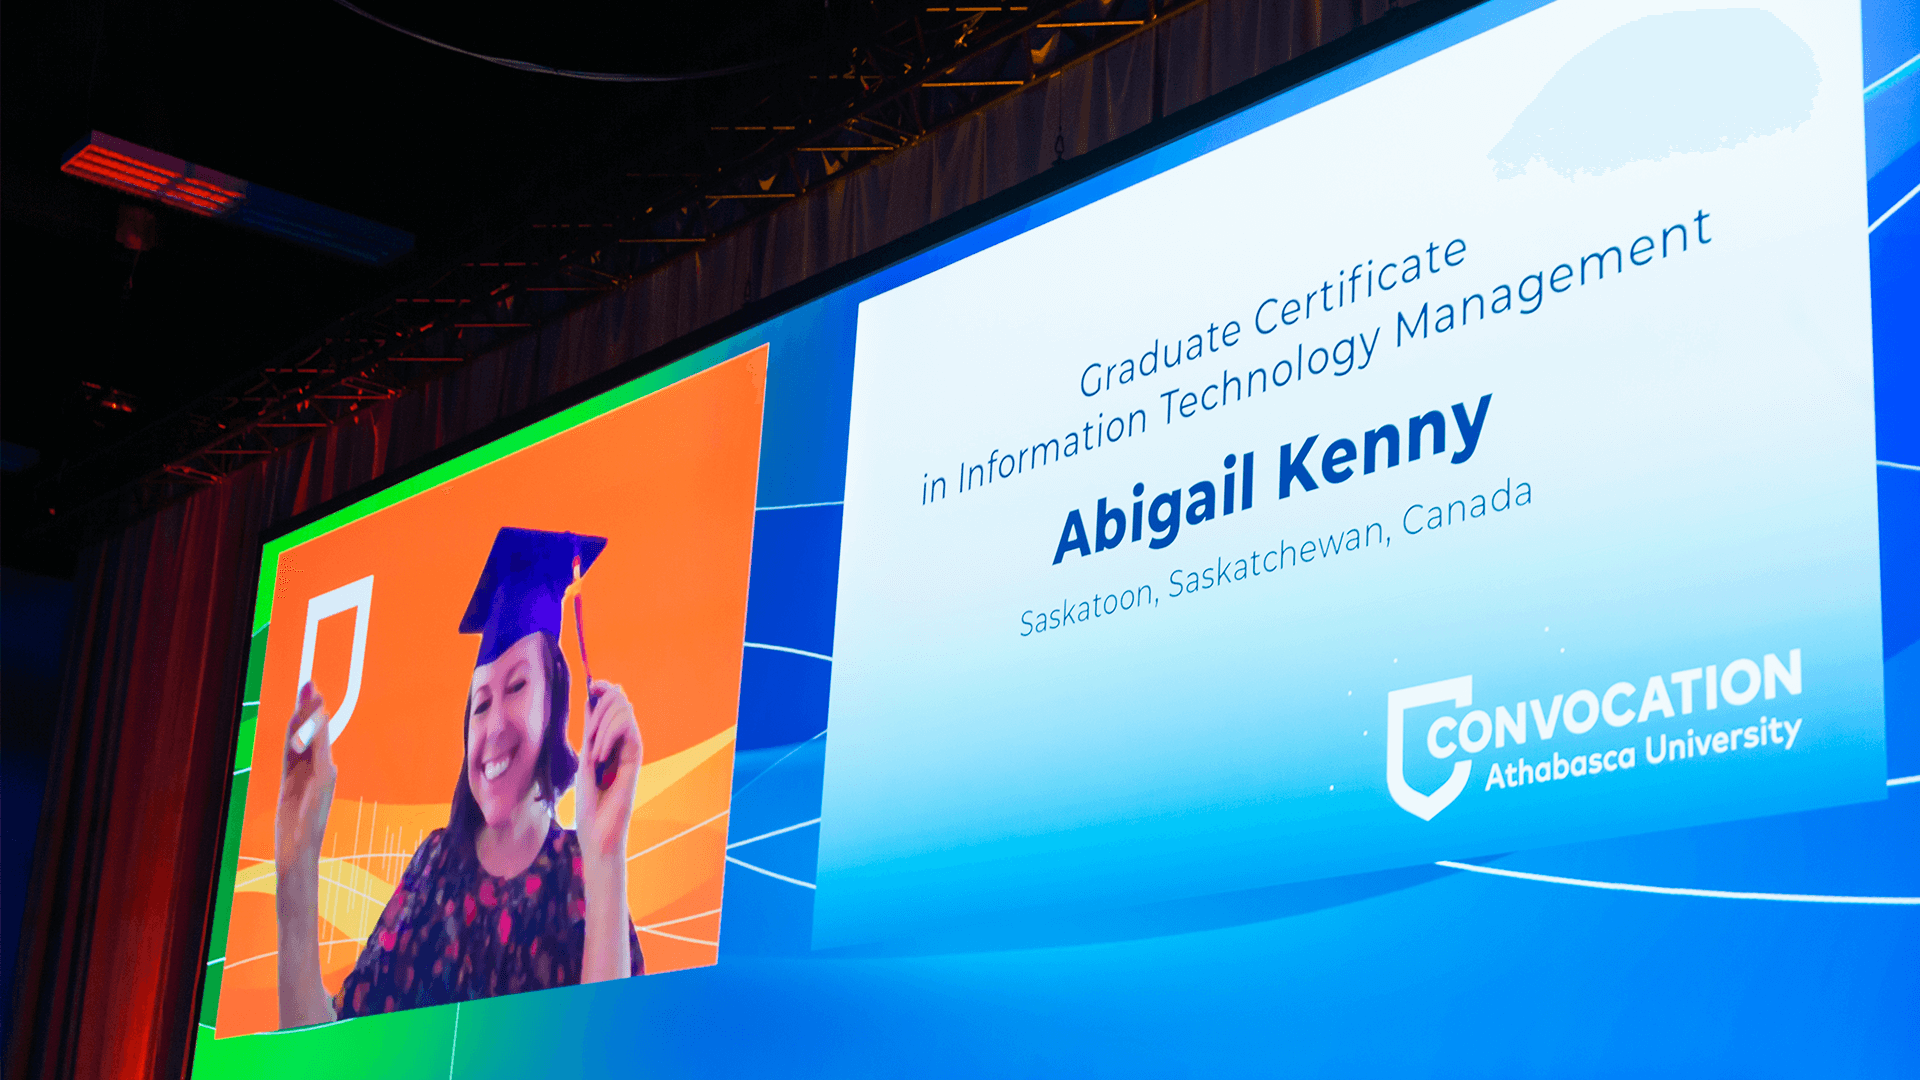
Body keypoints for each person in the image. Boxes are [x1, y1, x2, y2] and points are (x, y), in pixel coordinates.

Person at [274, 528, 644, 1028]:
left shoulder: (583, 877)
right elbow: (330, 1056)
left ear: (555, 702)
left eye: (516, 687)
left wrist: (606, 857)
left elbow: (612, 1053)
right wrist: (295, 872)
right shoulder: (433, 869)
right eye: (480, 702)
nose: (492, 726)